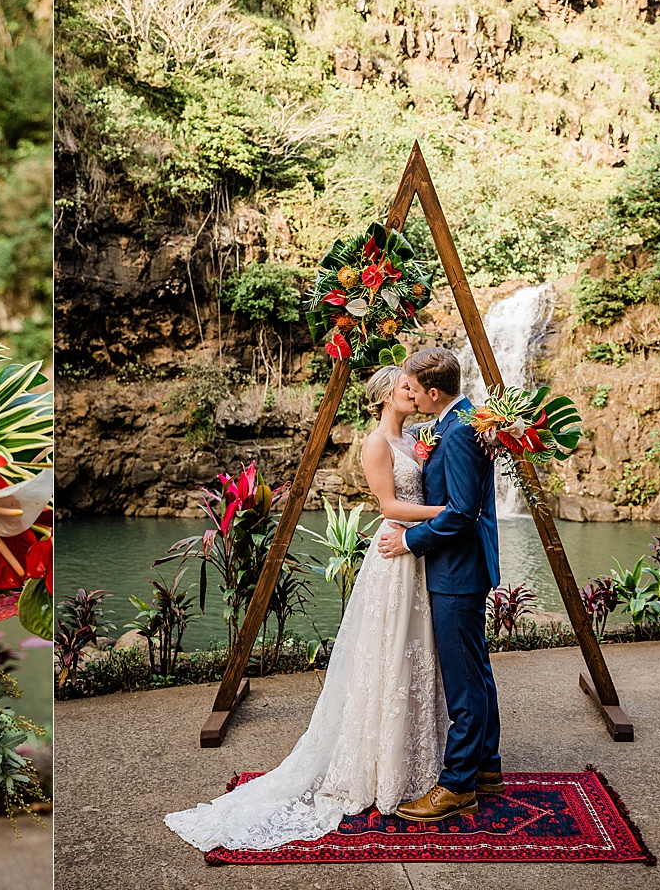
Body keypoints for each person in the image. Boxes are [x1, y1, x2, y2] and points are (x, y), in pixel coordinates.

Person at [165, 364, 451, 851]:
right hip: (395, 551)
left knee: (415, 652)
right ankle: (377, 768)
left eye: (415, 386)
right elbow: (388, 506)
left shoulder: (414, 439)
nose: (415, 390)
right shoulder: (376, 444)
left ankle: (413, 760)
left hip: (417, 552)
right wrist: (450, 513)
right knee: (388, 654)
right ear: (385, 395)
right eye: (406, 386)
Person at [379, 345, 503, 823]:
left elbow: (461, 516)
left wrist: (411, 541)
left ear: (433, 392)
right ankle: (486, 767)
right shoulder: (463, 419)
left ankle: (456, 787)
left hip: (456, 571)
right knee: (476, 671)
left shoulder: (457, 434)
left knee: (463, 681)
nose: (407, 391)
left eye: (412, 386)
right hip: (464, 569)